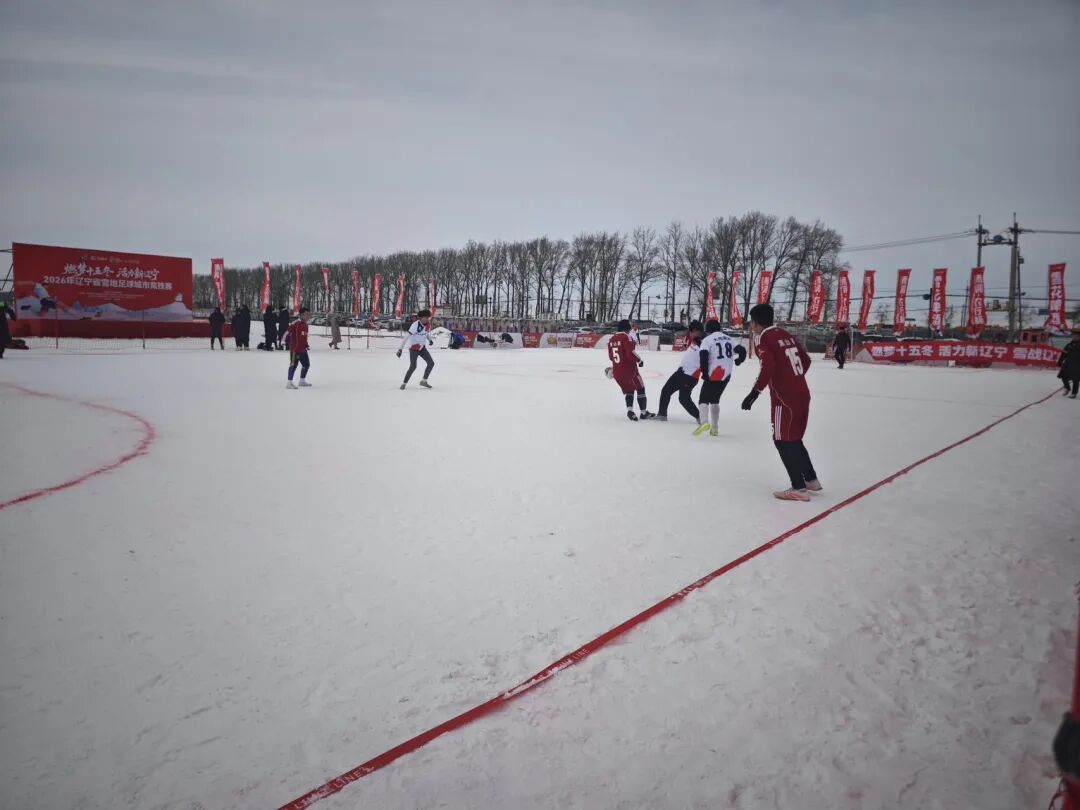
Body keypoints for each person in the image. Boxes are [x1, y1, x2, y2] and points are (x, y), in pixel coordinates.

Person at [740, 303, 821, 502]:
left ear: (755, 322)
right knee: (794, 438)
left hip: (784, 400)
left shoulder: (764, 338)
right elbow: (806, 360)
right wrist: (794, 378)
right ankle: (811, 480)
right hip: (802, 393)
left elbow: (767, 366)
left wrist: (754, 392)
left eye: (751, 322)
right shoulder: (785, 334)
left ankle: (799, 488)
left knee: (782, 440)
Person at [694, 319, 746, 436]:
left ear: (708, 330)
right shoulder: (729, 338)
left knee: (703, 399)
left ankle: (704, 422)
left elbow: (703, 356)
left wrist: (704, 372)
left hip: (713, 372)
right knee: (715, 399)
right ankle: (715, 428)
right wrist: (739, 361)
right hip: (726, 374)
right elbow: (742, 350)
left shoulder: (707, 340)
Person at [657, 321, 705, 424]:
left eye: (691, 332)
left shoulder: (703, 343)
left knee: (683, 398)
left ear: (696, 331)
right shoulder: (695, 339)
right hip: (682, 372)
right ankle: (662, 415)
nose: (690, 334)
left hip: (690, 375)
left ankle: (700, 417)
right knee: (666, 391)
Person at [607, 319, 653, 421]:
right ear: (627, 328)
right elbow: (630, 353)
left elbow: (611, 356)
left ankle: (630, 411)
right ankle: (643, 413)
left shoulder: (612, 339)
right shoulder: (626, 337)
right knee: (641, 388)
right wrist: (639, 360)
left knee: (629, 389)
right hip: (629, 371)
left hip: (617, 372)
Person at [396, 309, 435, 389]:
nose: (427, 319)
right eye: (425, 317)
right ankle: (404, 383)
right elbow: (406, 338)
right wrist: (400, 349)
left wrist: (430, 340)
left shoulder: (428, 324)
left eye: (428, 317)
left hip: (422, 347)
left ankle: (424, 381)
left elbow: (426, 333)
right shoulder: (415, 325)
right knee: (413, 366)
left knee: (431, 363)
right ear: (421, 318)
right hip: (413, 348)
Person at [286, 307, 312, 389]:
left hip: (302, 349)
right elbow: (287, 332)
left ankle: (302, 381)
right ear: (301, 315)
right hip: (295, 349)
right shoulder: (295, 323)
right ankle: (289, 383)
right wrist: (283, 341)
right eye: (306, 314)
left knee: (306, 365)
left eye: (309, 314)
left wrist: (306, 344)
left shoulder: (305, 325)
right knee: (293, 365)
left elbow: (304, 336)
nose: (308, 316)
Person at [1058, 330, 1080, 398]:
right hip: (1068, 363)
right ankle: (1067, 388)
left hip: (1077, 364)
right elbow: (1063, 353)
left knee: (1076, 379)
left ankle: (1074, 393)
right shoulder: (1069, 345)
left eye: (1076, 336)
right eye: (1073, 336)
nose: (1074, 337)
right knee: (1063, 375)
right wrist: (1060, 361)